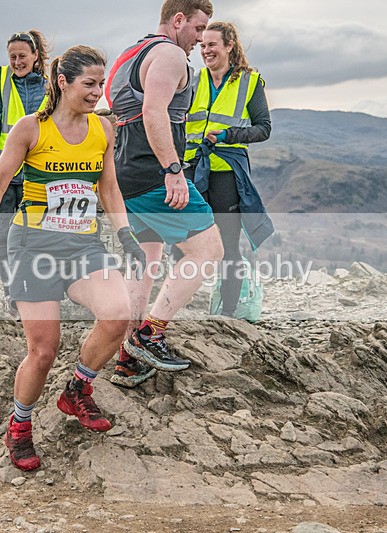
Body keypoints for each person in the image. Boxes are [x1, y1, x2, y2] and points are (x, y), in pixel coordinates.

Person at [0, 45, 147, 471]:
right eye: (89, 84)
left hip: (82, 245)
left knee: (118, 313)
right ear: (62, 82)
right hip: (33, 246)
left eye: (101, 83)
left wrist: (127, 236)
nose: (97, 92)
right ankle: (20, 426)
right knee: (43, 351)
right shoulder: (30, 129)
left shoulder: (103, 129)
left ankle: (77, 391)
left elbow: (108, 189)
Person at [106, 0, 223, 388]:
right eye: (197, 28)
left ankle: (127, 358)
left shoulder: (129, 54)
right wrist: (173, 171)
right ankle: (150, 334)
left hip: (124, 172)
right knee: (208, 250)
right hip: (153, 172)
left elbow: (121, 112)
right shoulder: (170, 54)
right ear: (178, 20)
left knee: (146, 258)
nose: (200, 39)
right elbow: (154, 112)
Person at [184, 21, 274, 318]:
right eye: (202, 45)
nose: (206, 50)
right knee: (180, 241)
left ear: (229, 46)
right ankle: (177, 305)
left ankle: (229, 313)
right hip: (191, 170)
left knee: (227, 246)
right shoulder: (193, 80)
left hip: (226, 173)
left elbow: (263, 129)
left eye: (212, 44)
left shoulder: (250, 82)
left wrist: (228, 135)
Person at [0, 30, 50, 316]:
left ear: (35, 56)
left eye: (22, 56)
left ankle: (39, 292)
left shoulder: (50, 88)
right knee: (6, 239)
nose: (17, 61)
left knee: (38, 238)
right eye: (12, 57)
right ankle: (12, 295)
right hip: (4, 177)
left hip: (38, 176)